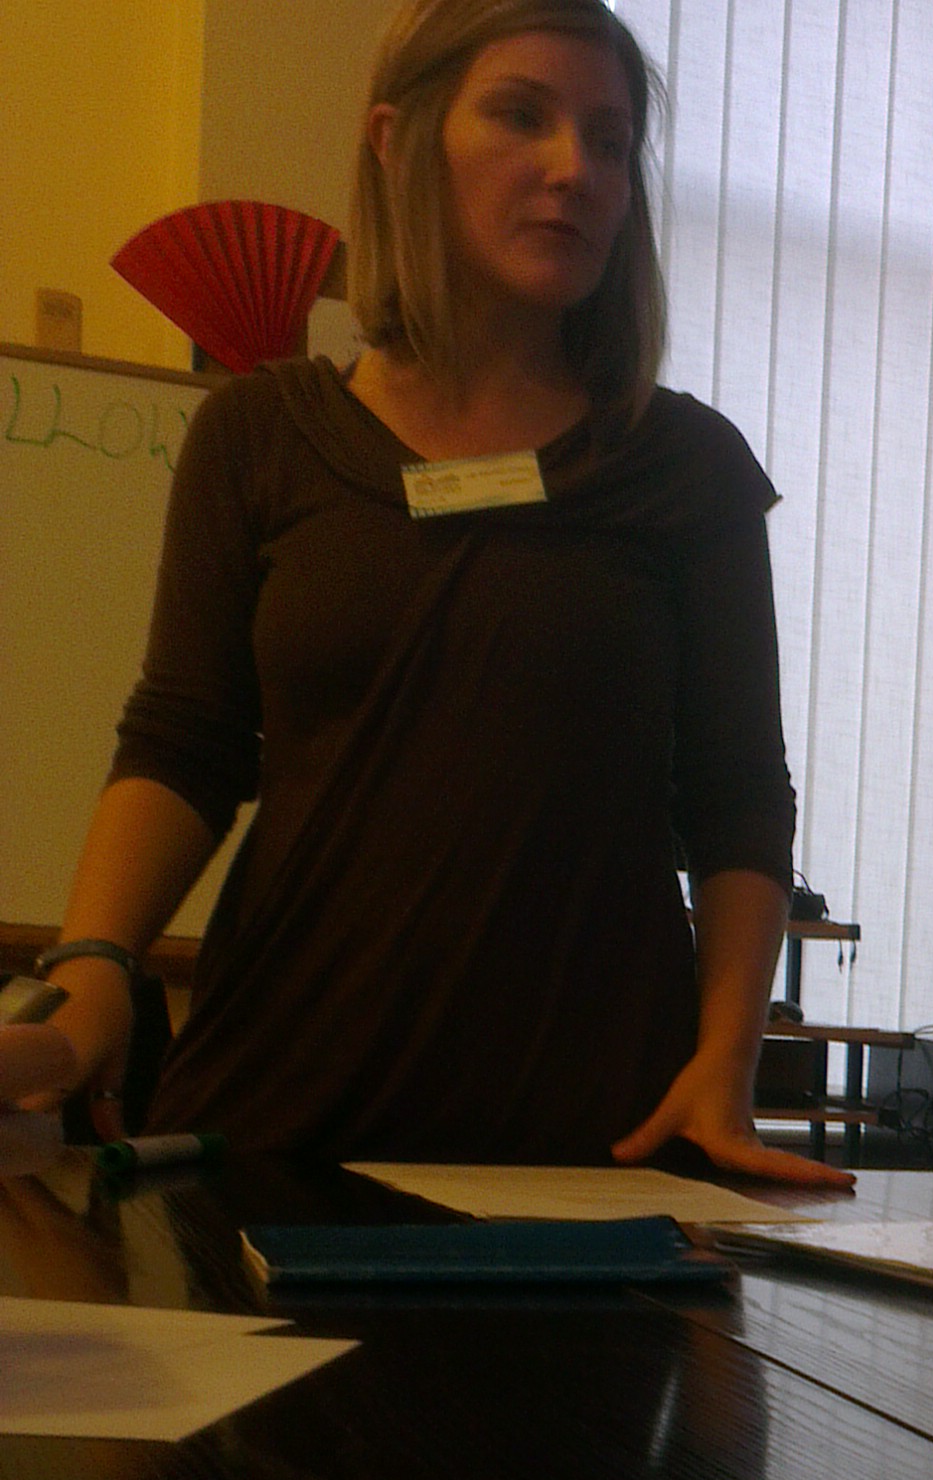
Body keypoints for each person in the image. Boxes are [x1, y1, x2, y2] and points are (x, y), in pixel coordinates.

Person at [8, 0, 841, 1186]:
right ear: (398, 142)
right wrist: (92, 972)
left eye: (610, 140)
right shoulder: (260, 436)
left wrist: (728, 1064)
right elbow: (185, 741)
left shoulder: (687, 467)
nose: (576, 168)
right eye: (522, 116)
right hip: (279, 1123)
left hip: (597, 1151)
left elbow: (738, 794)